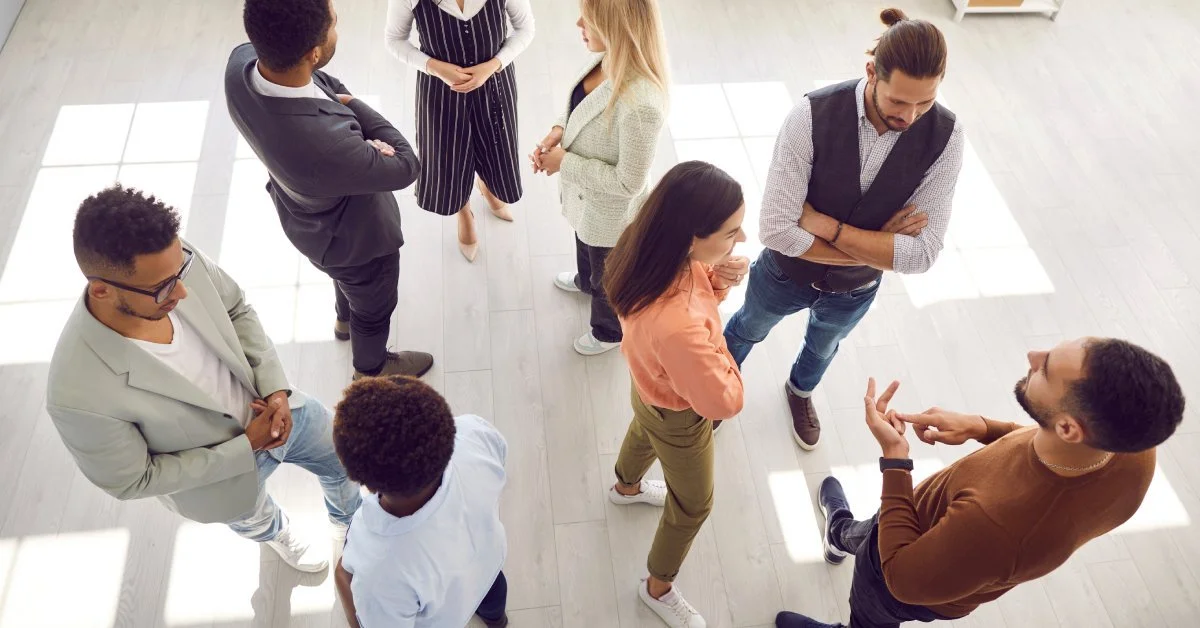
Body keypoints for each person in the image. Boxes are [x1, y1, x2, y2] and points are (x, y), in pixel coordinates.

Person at [46, 185, 361, 573]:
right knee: (255, 519)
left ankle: (351, 525)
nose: (181, 289)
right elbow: (134, 480)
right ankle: (276, 534)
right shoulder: (74, 393)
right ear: (102, 290)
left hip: (280, 407)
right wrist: (247, 445)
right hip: (220, 478)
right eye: (163, 288)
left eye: (180, 272)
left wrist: (276, 390)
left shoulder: (171, 263)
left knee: (343, 460)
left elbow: (236, 307)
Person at [776, 337, 1185, 628]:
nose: (1032, 353)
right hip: (925, 526)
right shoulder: (1131, 449)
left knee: (872, 604)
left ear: (1068, 427)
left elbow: (902, 576)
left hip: (902, 575)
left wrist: (896, 459)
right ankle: (840, 534)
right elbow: (1046, 444)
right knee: (872, 531)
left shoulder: (1000, 526)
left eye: (1045, 368)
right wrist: (983, 428)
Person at [723, 7, 965, 450]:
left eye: (925, 102)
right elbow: (777, 230)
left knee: (822, 349)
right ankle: (715, 393)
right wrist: (879, 245)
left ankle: (799, 393)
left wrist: (827, 228)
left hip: (854, 290)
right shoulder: (810, 116)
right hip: (783, 273)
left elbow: (924, 254)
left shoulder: (947, 138)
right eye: (899, 101)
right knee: (745, 329)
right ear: (871, 72)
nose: (911, 117)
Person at [226, 0, 432, 380]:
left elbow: (327, 86)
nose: (338, 27)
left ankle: (342, 321)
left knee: (346, 281)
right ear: (315, 52)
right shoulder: (328, 147)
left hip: (307, 220)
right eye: (334, 23)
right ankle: (371, 370)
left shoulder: (239, 66)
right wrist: (355, 107)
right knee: (373, 310)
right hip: (359, 242)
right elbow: (406, 165)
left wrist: (348, 119)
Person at [603, 161, 750, 628]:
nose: (741, 240)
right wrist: (725, 355)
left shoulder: (641, 246)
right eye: (731, 232)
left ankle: (624, 486)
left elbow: (690, 303)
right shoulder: (680, 328)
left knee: (644, 427)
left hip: (647, 381)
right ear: (690, 237)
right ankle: (657, 586)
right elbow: (723, 403)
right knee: (693, 505)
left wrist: (717, 278)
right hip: (681, 415)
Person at [532, 0, 669, 356]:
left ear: (617, 27)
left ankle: (608, 333)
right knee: (585, 247)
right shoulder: (605, 57)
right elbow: (581, 107)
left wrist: (565, 162)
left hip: (611, 215)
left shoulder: (642, 105)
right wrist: (558, 131)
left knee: (607, 279)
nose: (579, 23)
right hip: (587, 204)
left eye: (589, 20)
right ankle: (583, 282)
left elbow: (629, 184)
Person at [333, 375, 509, 628]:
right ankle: (498, 622)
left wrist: (342, 578)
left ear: (368, 483)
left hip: (444, 617)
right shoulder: (474, 434)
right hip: (489, 563)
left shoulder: (380, 570)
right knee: (494, 600)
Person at [384, 0, 535, 262]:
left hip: (495, 85)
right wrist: (433, 66)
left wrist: (492, 65)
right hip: (440, 91)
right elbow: (394, 40)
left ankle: (488, 186)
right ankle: (463, 210)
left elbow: (526, 29)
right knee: (449, 158)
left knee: (497, 146)